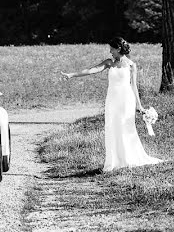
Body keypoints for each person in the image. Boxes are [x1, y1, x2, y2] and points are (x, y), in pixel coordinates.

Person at [60, 37, 162, 171]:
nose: (110, 52)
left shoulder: (131, 65)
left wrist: (139, 105)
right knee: (112, 127)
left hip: (126, 100)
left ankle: (128, 158)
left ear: (119, 49)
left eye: (112, 49)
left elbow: (134, 86)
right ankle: (114, 161)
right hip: (112, 100)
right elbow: (92, 70)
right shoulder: (109, 63)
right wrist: (71, 75)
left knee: (126, 127)